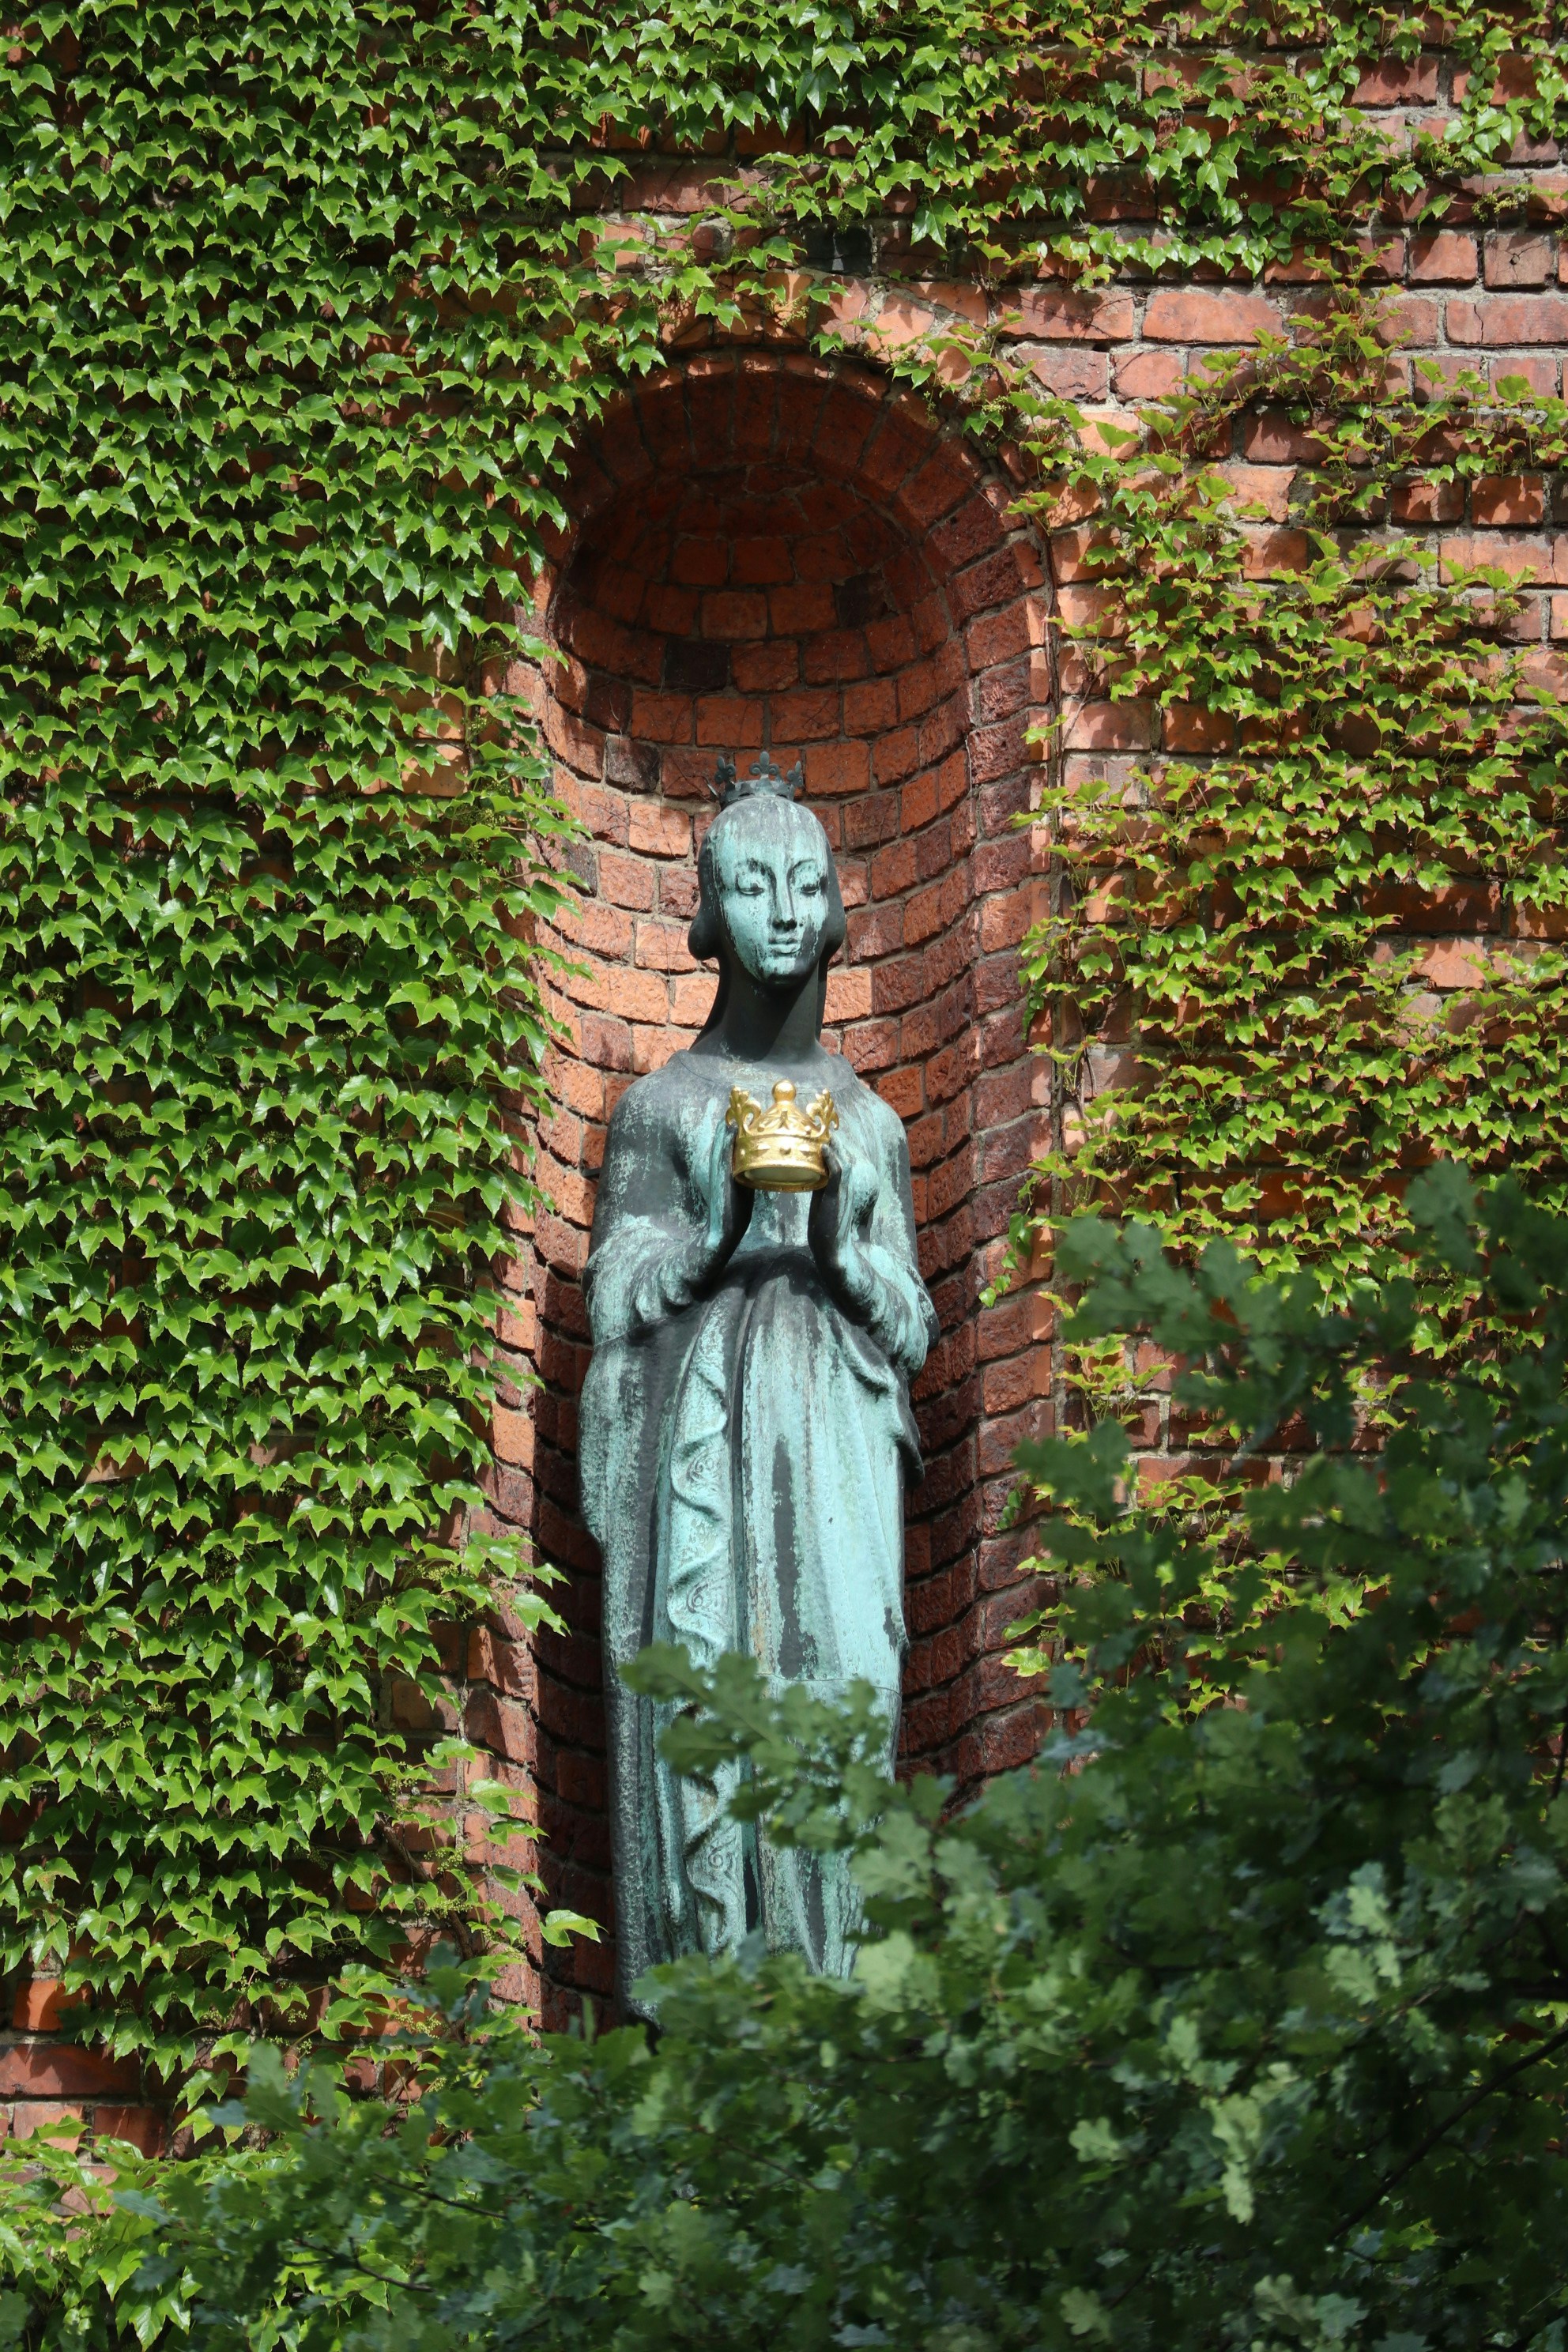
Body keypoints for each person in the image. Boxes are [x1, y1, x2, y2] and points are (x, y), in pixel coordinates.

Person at [579, 754, 939, 2015]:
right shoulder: (661, 1110)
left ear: (838, 908)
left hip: (832, 1437)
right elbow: (615, 1291)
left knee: (844, 1694)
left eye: (804, 886)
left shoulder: (873, 1124)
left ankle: (835, 1996)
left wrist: (840, 1240)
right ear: (708, 916)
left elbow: (912, 1325)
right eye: (752, 888)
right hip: (705, 1443)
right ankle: (707, 1991)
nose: (783, 912)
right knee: (710, 1691)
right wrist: (719, 1232)